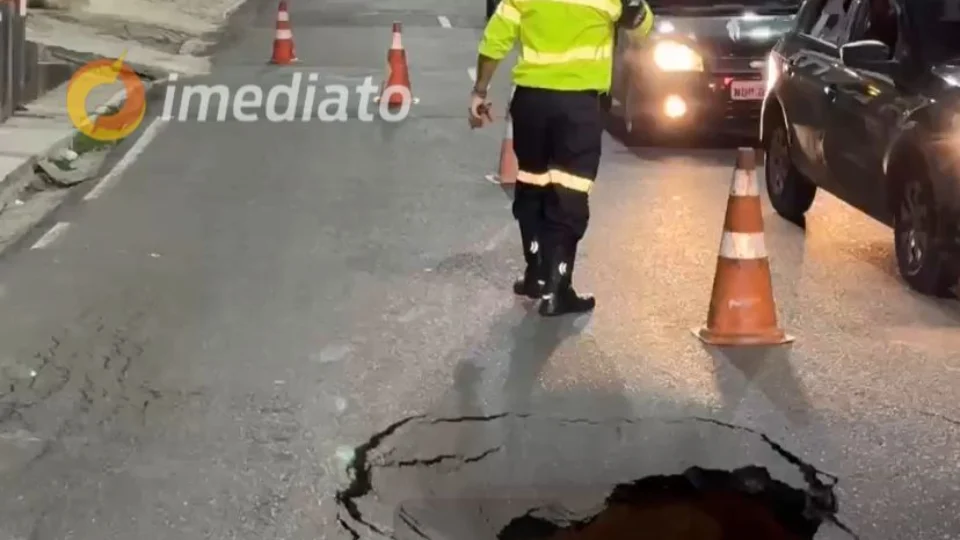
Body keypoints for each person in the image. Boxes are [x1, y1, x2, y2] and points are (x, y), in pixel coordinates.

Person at [469, 0, 654, 316]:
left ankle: (536, 274)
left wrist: (480, 91)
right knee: (569, 194)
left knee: (531, 186)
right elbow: (641, 25)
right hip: (578, 108)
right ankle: (557, 287)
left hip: (531, 102)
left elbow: (495, 38)